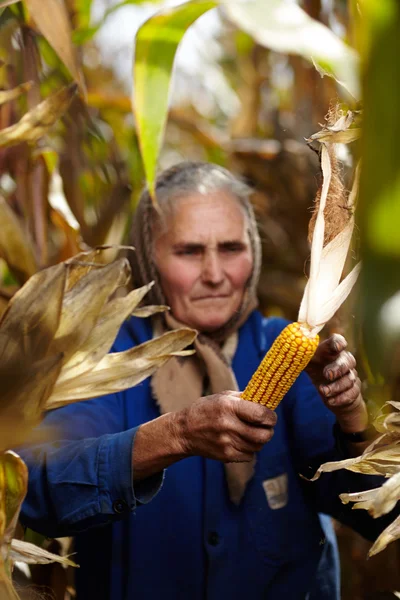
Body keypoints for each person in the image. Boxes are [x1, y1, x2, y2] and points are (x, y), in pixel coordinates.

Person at [19, 162, 390, 600]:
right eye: (190, 251)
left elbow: (378, 516)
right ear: (148, 257)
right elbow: (35, 487)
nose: (214, 274)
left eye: (231, 248)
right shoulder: (105, 356)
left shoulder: (288, 351)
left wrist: (352, 418)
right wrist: (177, 433)